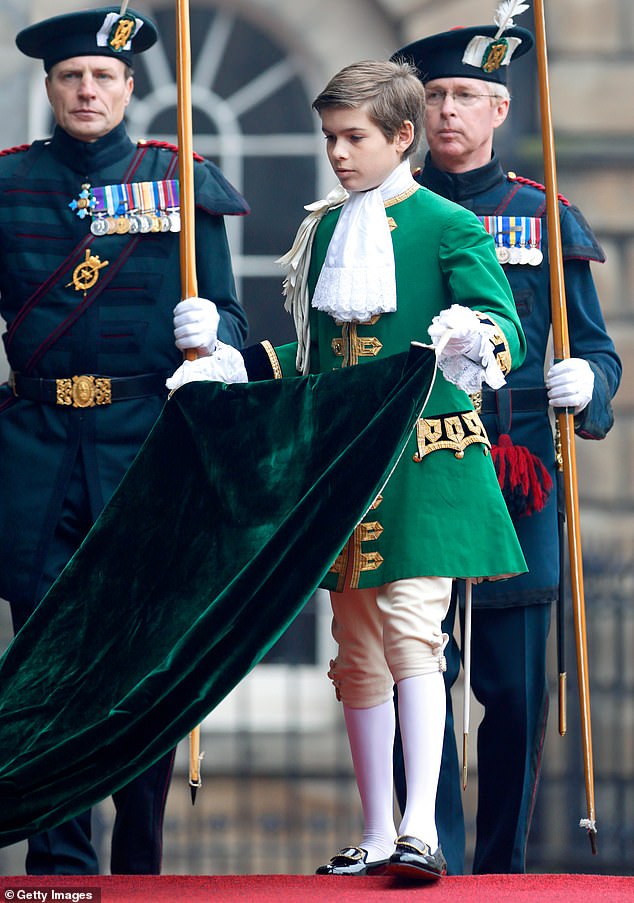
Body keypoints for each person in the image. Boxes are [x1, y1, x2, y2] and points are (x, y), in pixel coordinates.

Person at [174, 57, 528, 881]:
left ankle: (421, 828)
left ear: (403, 138)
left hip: (423, 464)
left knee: (414, 635)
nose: (336, 153)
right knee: (356, 649)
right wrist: (234, 363)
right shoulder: (324, 229)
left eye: (352, 137)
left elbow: (502, 323)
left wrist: (473, 333)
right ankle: (374, 830)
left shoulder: (448, 223)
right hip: (344, 467)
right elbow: (312, 358)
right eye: (329, 137)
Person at [0, 5, 248, 875]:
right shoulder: (7, 186)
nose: (87, 90)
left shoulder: (179, 181)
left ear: (131, 87)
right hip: (34, 452)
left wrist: (212, 331)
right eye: (72, 76)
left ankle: (138, 863)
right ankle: (59, 864)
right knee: (47, 662)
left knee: (143, 662)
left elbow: (239, 326)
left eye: (103, 76)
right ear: (49, 87)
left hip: (145, 447)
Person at [391, 13, 622, 875]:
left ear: (498, 108)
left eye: (467, 97)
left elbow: (598, 347)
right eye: (437, 96)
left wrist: (590, 383)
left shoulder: (542, 211)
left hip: (516, 473)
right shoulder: (388, 211)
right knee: (418, 673)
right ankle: (431, 850)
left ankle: (499, 867)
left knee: (518, 690)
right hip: (413, 471)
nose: (449, 111)